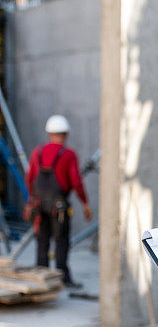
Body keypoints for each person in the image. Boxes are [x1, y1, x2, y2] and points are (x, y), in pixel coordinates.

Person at [25, 114, 92, 288]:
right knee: (61, 241)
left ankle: (42, 279)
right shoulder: (68, 155)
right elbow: (76, 181)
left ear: (49, 133)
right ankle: (63, 279)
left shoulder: (38, 152)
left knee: (42, 241)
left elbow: (30, 177)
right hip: (59, 206)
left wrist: (31, 200)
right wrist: (84, 202)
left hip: (39, 204)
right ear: (66, 134)